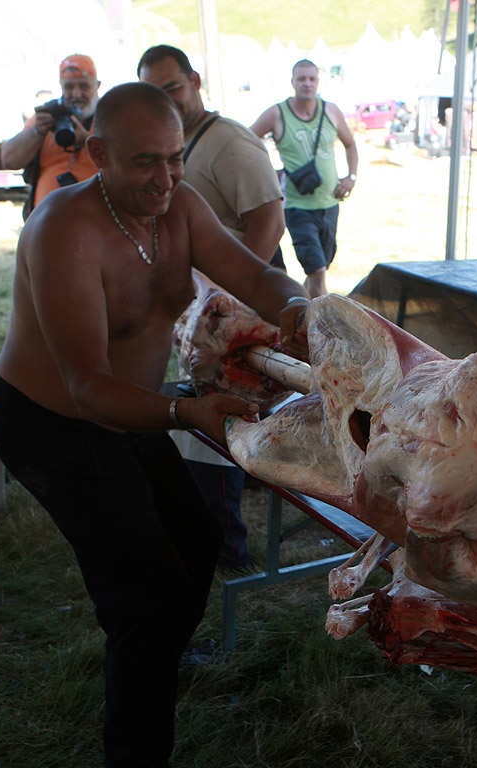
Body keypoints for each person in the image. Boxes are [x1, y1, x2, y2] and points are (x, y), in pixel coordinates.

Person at [0, 82, 311, 768]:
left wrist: (304, 311)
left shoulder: (180, 209)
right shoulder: (62, 231)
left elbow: (257, 277)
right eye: (145, 163)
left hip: (131, 408)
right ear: (99, 153)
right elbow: (86, 386)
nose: (165, 178)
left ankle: (155, 659)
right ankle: (138, 740)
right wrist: (186, 411)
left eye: (174, 159)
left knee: (193, 541)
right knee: (145, 593)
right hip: (52, 422)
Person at [137, 43, 287, 570]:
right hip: (205, 314)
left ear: (195, 81)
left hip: (235, 315)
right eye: (154, 92)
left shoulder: (229, 144)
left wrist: (228, 310)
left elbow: (269, 221)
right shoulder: (177, 143)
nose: (166, 100)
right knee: (206, 431)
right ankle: (209, 536)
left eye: (172, 88)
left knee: (218, 428)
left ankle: (227, 552)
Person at [250, 59, 359, 298]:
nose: (307, 84)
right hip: (297, 207)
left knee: (320, 269)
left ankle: (297, 308)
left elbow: (350, 144)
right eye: (301, 79)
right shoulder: (278, 113)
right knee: (317, 271)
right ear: (292, 82)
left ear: (318, 81)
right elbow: (246, 140)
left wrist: (350, 177)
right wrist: (270, 172)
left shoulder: (330, 110)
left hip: (329, 204)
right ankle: (323, 327)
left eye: (312, 79)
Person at [1, 54, 101, 218]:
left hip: (97, 226)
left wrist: (87, 141)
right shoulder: (48, 117)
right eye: (69, 87)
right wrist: (38, 132)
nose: (76, 94)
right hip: (45, 224)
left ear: (97, 85)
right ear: (60, 86)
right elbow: (9, 160)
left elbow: (128, 159)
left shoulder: (109, 117)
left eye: (84, 86)